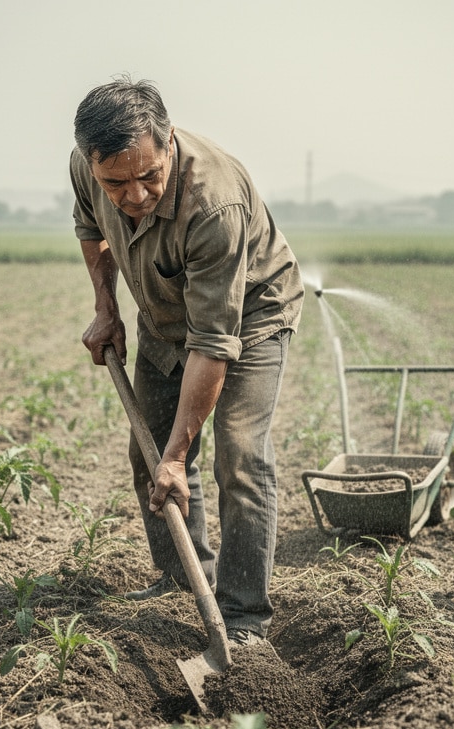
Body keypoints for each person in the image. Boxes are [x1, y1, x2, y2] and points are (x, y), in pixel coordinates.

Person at [69, 75, 303, 646]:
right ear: (91, 163)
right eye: (116, 182)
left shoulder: (212, 203)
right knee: (146, 448)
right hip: (163, 314)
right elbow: (91, 230)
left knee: (241, 457)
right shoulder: (86, 168)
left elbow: (213, 341)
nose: (136, 194)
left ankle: (245, 616)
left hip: (248, 316)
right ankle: (183, 576)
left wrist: (177, 454)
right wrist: (107, 309)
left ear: (168, 142)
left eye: (149, 175)